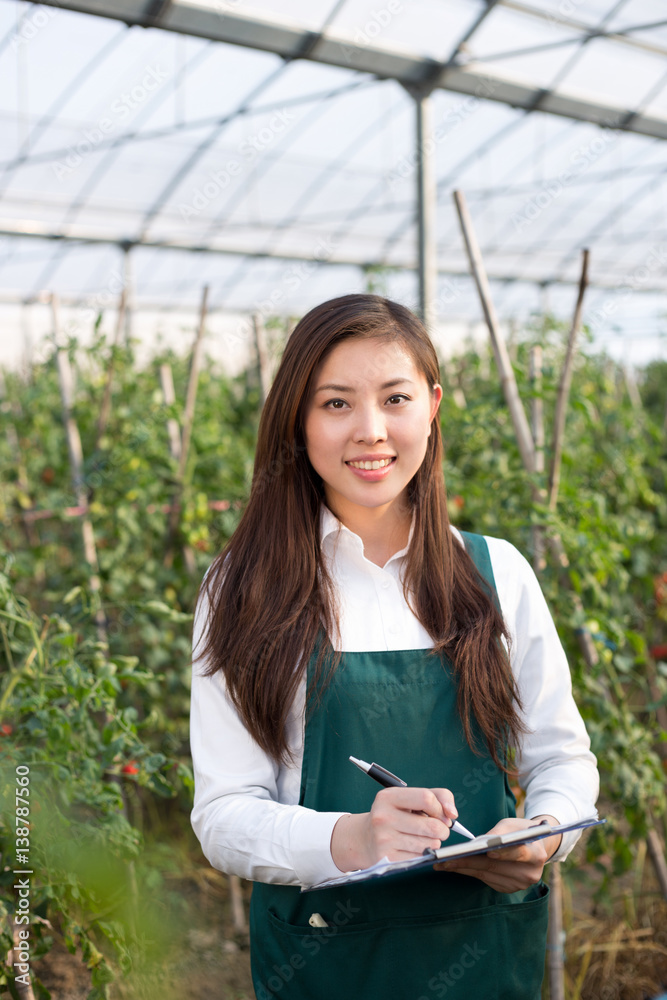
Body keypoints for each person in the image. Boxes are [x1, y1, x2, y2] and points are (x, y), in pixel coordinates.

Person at [190, 293, 599, 1000]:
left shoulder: (495, 572)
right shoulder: (243, 588)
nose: (370, 432)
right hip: (324, 959)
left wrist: (541, 832)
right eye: (337, 404)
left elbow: (562, 757)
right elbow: (222, 815)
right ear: (298, 418)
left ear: (432, 407)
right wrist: (351, 839)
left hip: (483, 950)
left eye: (395, 398)